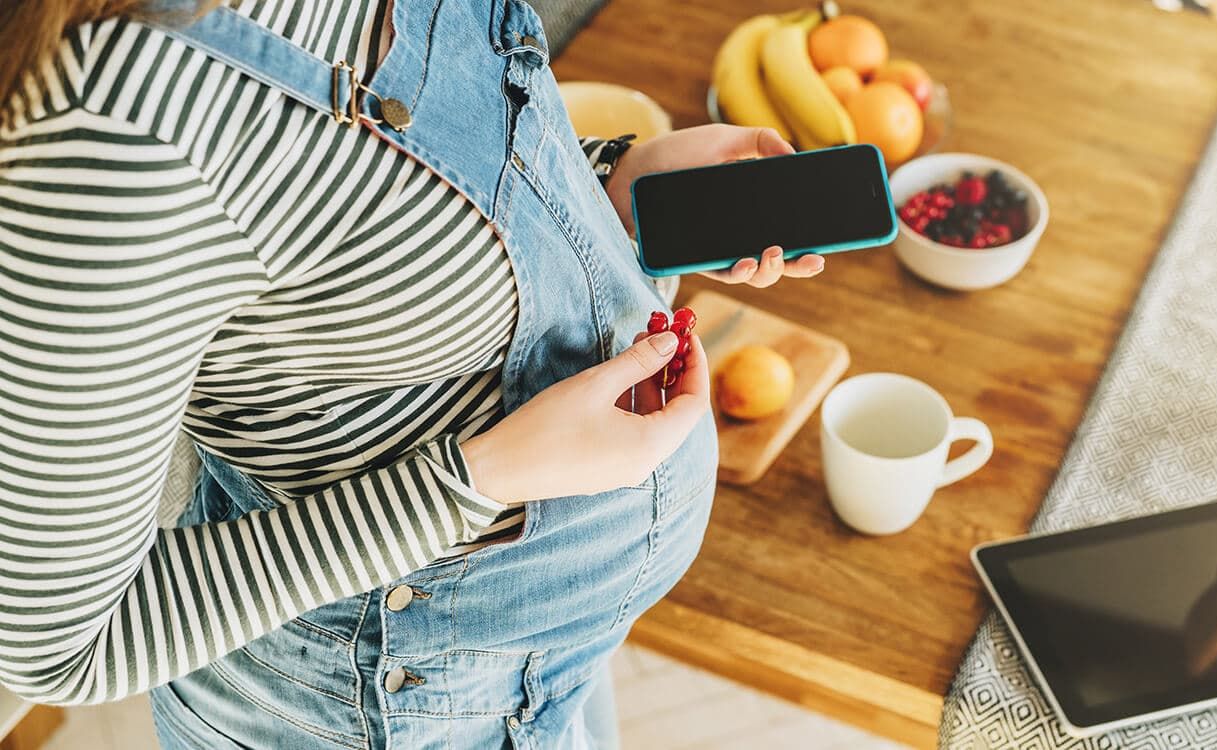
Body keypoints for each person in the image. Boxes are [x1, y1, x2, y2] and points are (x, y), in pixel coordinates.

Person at [0, 0, 824, 746]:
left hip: (533, 660)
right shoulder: (104, 134)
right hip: (386, 704)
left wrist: (609, 185)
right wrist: (486, 476)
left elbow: (392, 217)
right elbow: (59, 644)